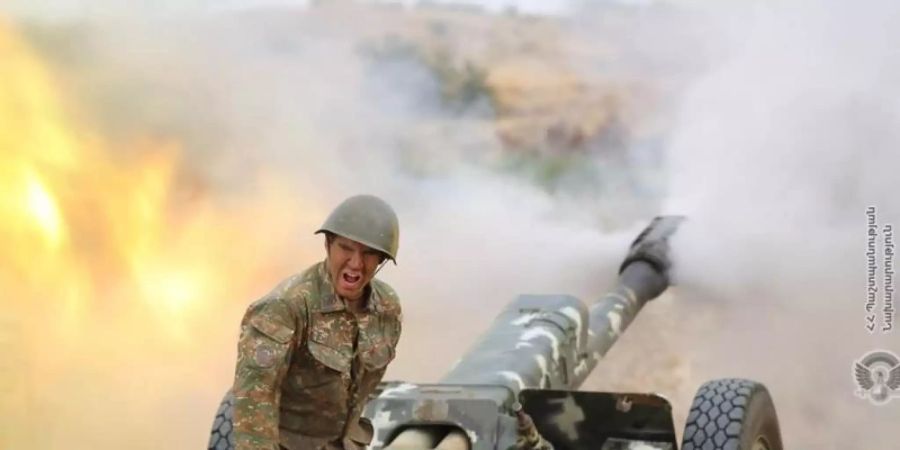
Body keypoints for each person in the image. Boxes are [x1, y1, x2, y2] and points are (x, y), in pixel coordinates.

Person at [232, 195, 402, 450]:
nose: (356, 263)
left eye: (368, 253)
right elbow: (254, 402)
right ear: (328, 244)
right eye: (346, 248)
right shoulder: (285, 307)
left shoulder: (387, 308)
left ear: (381, 260)